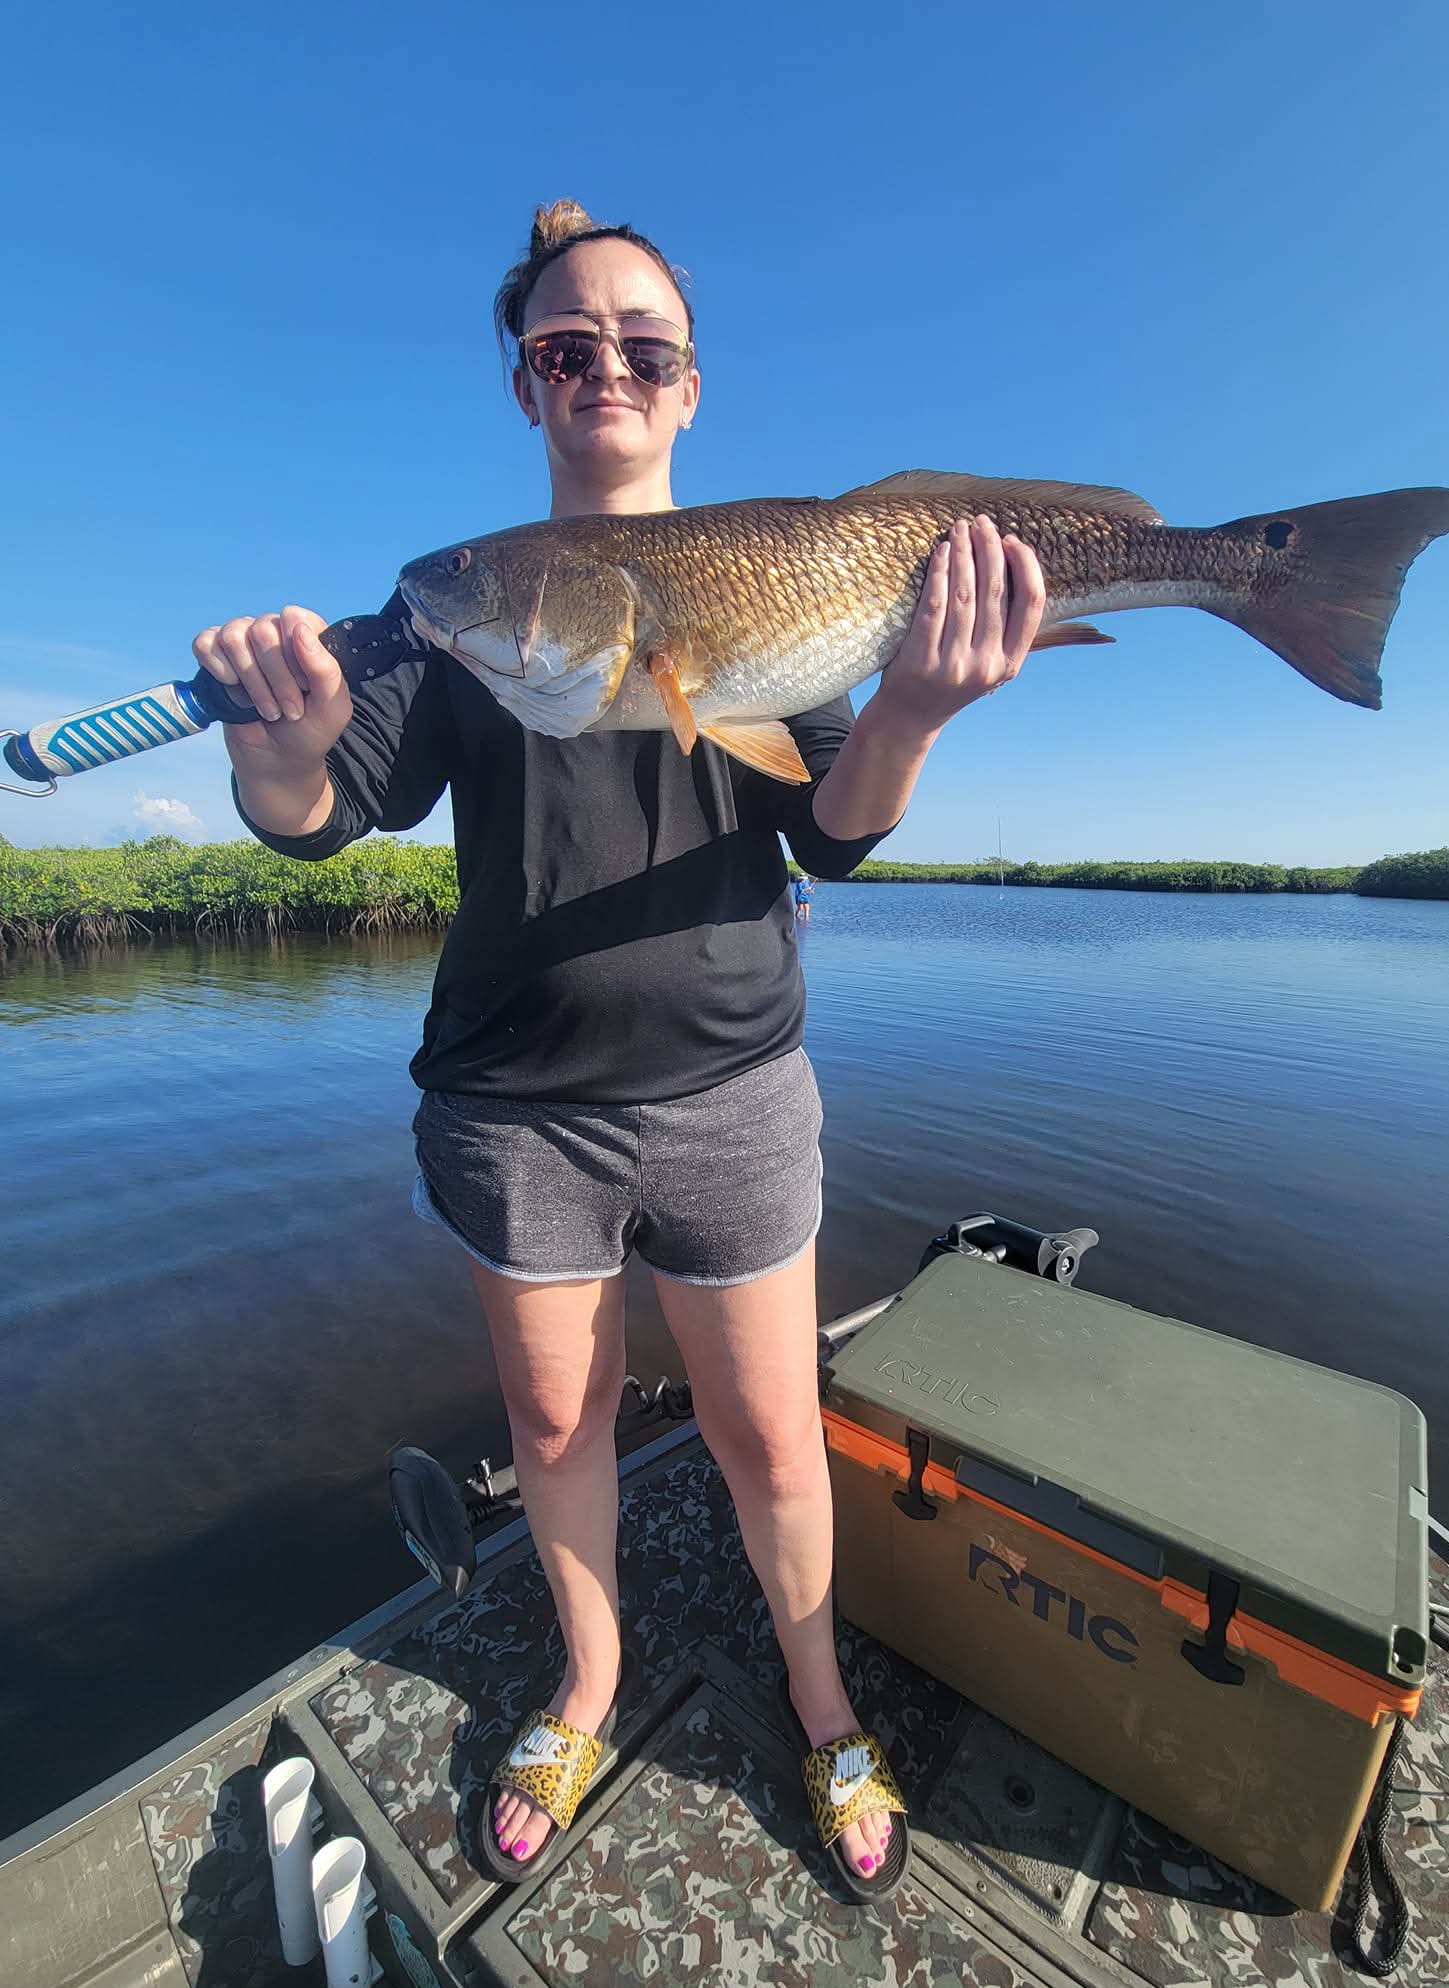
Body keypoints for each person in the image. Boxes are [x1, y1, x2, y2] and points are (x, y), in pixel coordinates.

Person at [196, 199, 1045, 1899]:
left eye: (638, 346)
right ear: (526, 386)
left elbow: (838, 831)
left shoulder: (794, 568)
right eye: (565, 348)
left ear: (688, 385)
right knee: (558, 1423)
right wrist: (269, 745)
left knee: (773, 1436)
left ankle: (820, 1698)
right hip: (517, 1109)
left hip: (734, 1087)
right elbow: (319, 807)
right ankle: (587, 1681)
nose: (604, 370)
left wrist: (910, 711)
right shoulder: (460, 594)